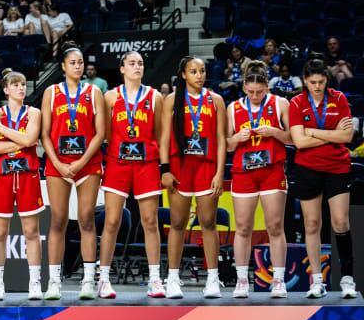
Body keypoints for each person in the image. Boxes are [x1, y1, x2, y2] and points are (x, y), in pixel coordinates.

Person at [41, 46, 106, 300]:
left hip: (87, 162)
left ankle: (89, 280)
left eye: (80, 62)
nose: (78, 66)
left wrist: (80, 162)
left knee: (86, 218)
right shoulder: (50, 92)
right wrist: (56, 162)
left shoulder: (94, 92)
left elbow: (100, 133)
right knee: (58, 220)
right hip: (58, 162)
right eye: (73, 62)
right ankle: (54, 281)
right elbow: (45, 133)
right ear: (63, 67)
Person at [290, 59, 357, 299]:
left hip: (337, 167)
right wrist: (332, 135)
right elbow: (299, 142)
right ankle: (316, 280)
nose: (317, 86)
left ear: (326, 80)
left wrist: (314, 132)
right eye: (312, 82)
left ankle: (348, 279)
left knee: (340, 222)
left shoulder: (338, 98)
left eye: (320, 82)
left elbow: (347, 135)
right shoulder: (297, 103)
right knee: (311, 224)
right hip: (307, 168)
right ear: (305, 81)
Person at [100, 52, 166, 297]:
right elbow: (105, 133)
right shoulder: (109, 96)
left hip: (146, 163)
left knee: (150, 221)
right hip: (117, 163)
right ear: (122, 69)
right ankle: (104, 278)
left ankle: (155, 279)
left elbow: (160, 134)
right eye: (132, 63)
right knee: (112, 221)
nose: (137, 67)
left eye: (140, 63)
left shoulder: (155, 96)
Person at [161, 57, 227, 299]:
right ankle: (173, 279)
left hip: (207, 166)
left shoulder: (216, 100)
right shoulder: (171, 100)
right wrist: (164, 169)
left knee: (208, 223)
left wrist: (220, 173)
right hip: (179, 165)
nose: (199, 75)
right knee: (177, 223)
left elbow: (221, 140)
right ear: (183, 75)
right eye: (193, 71)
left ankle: (212, 278)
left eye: (202, 71)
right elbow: (164, 138)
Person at [227, 60, 290, 299]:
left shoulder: (280, 103)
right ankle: (242, 280)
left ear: (267, 87)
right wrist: (237, 138)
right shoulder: (233, 108)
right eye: (251, 91)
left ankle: (278, 280)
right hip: (244, 173)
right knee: (243, 227)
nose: (255, 96)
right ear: (244, 87)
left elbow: (292, 138)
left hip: (272, 170)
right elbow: (227, 145)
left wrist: (275, 132)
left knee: (275, 226)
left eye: (260, 91)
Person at [0, 71, 44, 301]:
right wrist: (20, 140)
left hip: (27, 174)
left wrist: (2, 131)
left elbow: (31, 141)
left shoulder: (34, 113)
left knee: (32, 232)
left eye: (23, 84)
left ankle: (35, 282)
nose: (21, 88)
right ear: (6, 89)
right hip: (2, 175)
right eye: (16, 85)